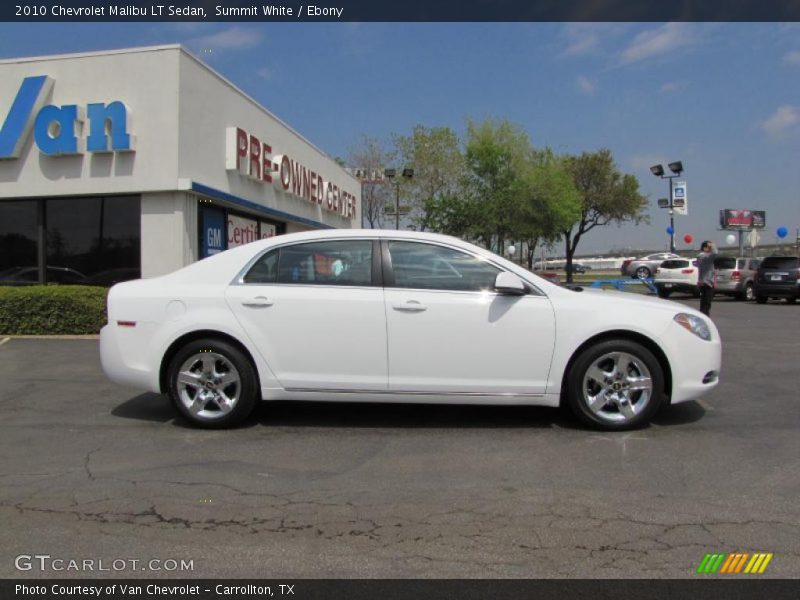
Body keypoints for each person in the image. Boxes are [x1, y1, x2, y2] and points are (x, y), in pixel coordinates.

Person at [696, 240, 717, 316]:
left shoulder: (702, 257)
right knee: (706, 304)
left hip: (704, 282)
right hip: (707, 283)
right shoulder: (704, 256)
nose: (710, 248)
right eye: (709, 247)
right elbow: (715, 253)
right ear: (705, 248)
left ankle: (704, 317)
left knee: (704, 304)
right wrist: (713, 245)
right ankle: (705, 318)